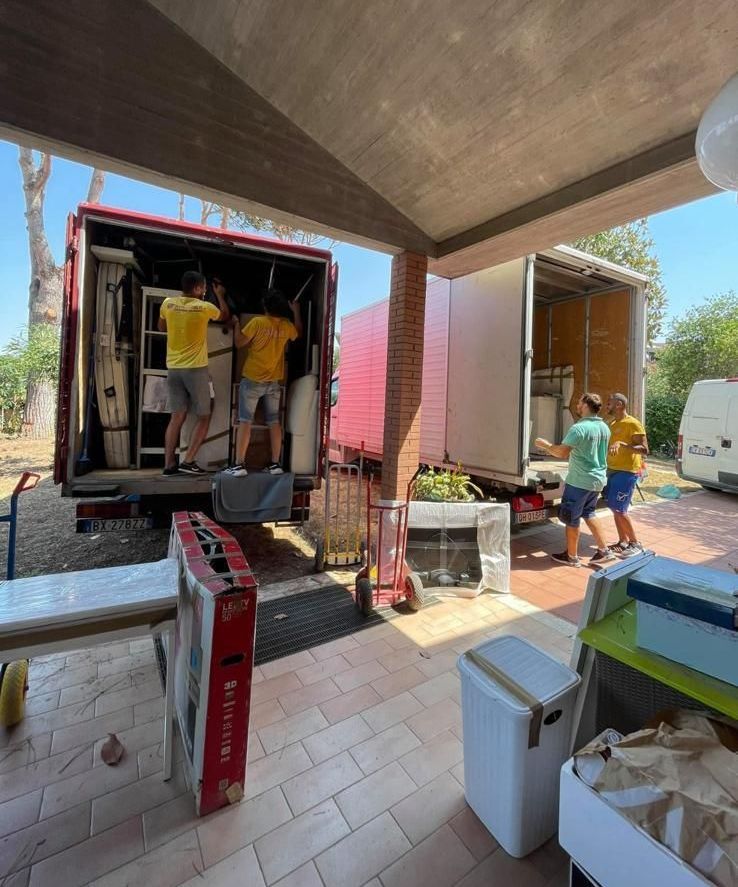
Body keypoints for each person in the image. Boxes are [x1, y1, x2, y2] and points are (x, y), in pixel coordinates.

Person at [158, 271, 229, 475]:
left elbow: (161, 327)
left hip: (173, 369)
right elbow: (225, 316)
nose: (205, 291)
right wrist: (221, 295)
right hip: (196, 370)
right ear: (198, 288)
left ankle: (169, 464)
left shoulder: (167, 304)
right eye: (204, 287)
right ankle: (188, 461)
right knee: (205, 415)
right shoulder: (204, 307)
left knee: (176, 417)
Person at [226, 289, 302, 476]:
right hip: (273, 382)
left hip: (252, 380)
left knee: (245, 422)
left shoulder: (257, 322)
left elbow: (239, 343)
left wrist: (236, 324)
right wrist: (296, 311)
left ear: (265, 306)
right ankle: (275, 464)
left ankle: (239, 465)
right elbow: (298, 332)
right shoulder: (285, 325)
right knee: (274, 422)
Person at [535, 392, 615, 567]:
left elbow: (562, 452)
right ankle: (604, 551)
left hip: (579, 481)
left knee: (572, 518)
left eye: (579, 402)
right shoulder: (604, 428)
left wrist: (545, 445)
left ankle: (571, 557)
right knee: (589, 513)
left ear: (586, 405)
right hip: (597, 480)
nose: (577, 406)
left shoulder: (579, 428)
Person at [605, 392, 649, 556]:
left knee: (620, 509)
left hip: (626, 472)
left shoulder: (633, 423)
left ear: (619, 405)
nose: (607, 406)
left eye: (609, 403)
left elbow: (645, 450)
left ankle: (635, 544)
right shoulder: (612, 423)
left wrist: (622, 444)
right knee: (614, 507)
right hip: (612, 470)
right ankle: (622, 542)